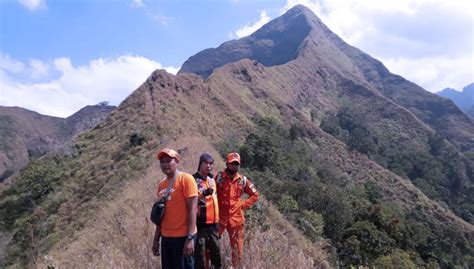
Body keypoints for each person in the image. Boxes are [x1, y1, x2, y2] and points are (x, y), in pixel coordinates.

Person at [152, 148, 198, 269]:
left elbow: (193, 209)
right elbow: (160, 215)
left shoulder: (186, 179)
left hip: (182, 237)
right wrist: (156, 239)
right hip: (166, 238)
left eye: (168, 161)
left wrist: (190, 238)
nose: (165, 164)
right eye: (162, 162)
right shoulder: (161, 184)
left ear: (177, 161)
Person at [216, 152, 259, 267]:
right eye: (232, 164)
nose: (234, 166)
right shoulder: (219, 178)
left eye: (236, 164)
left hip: (236, 220)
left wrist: (243, 205)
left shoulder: (243, 180)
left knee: (237, 251)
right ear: (227, 163)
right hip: (219, 219)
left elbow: (255, 195)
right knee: (210, 246)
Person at [193, 153, 222, 269]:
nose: (208, 166)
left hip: (214, 226)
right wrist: (203, 194)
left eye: (210, 164)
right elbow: (190, 200)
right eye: (206, 163)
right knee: (200, 258)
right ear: (200, 163)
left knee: (216, 257)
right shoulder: (193, 179)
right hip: (200, 226)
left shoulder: (211, 179)